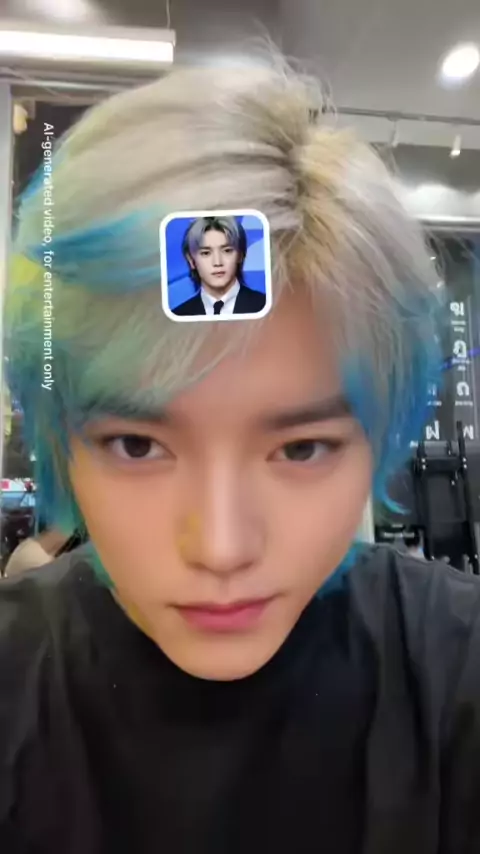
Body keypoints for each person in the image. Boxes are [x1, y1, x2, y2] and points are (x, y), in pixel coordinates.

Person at [1, 58, 480, 854]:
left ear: (379, 436)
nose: (222, 547)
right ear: (60, 439)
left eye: (301, 448)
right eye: (137, 445)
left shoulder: (458, 675)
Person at [172, 215, 266, 316]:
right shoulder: (178, 315)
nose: (217, 262)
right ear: (191, 261)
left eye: (227, 251)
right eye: (206, 253)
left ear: (240, 255)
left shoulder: (264, 306)